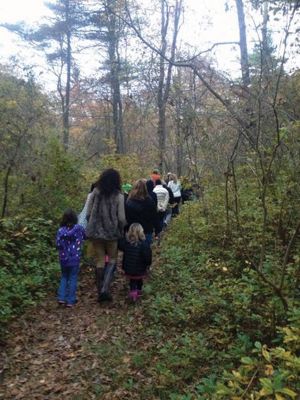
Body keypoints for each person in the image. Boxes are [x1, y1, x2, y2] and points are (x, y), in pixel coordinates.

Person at [86, 168, 126, 302]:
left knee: (100, 260)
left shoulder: (95, 193)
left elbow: (88, 213)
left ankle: (99, 291)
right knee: (113, 260)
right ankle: (105, 289)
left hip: (96, 232)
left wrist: (91, 224)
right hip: (111, 233)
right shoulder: (119, 196)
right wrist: (121, 229)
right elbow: (121, 218)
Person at [56, 209, 86, 307]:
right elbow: (85, 237)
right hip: (74, 257)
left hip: (63, 257)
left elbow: (57, 244)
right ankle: (70, 300)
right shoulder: (79, 228)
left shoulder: (60, 230)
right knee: (73, 277)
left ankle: (61, 297)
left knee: (64, 276)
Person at [118, 223, 152, 301]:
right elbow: (147, 257)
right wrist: (148, 264)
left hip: (129, 269)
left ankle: (133, 293)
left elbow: (120, 245)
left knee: (132, 281)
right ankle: (138, 291)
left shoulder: (127, 243)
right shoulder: (144, 244)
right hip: (140, 269)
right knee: (139, 280)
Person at [125, 179, 160, 246]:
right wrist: (157, 229)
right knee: (145, 251)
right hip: (146, 231)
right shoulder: (150, 201)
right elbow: (154, 216)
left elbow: (126, 217)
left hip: (132, 231)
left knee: (132, 252)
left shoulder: (129, 201)